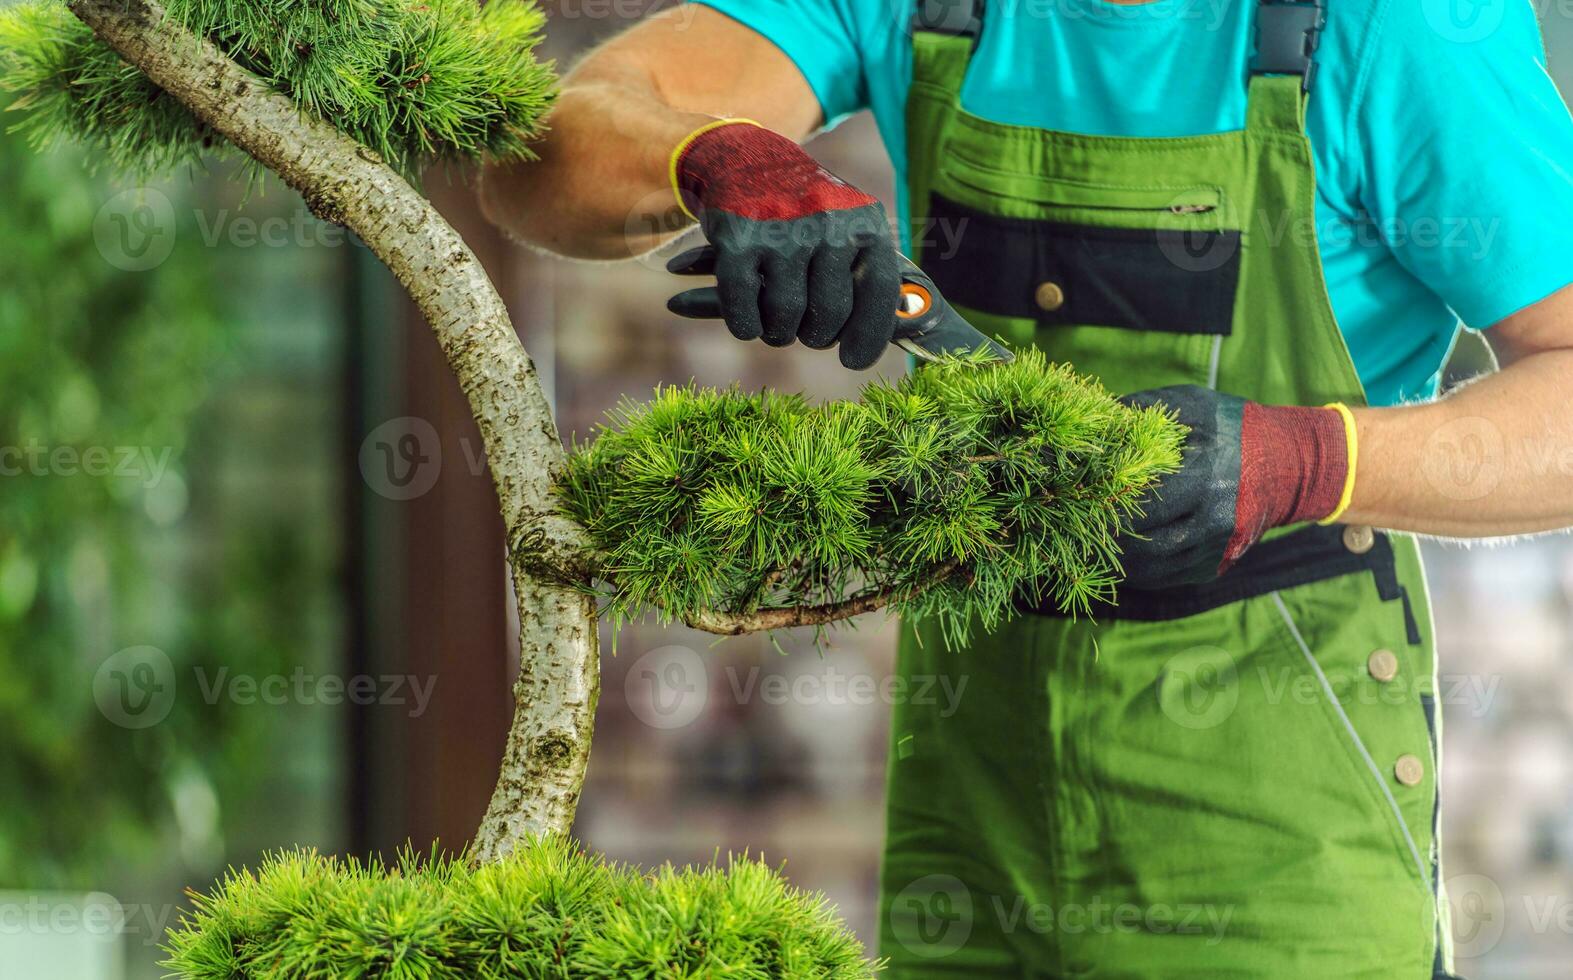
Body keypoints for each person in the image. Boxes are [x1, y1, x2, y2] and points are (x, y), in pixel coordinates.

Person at [480, 0, 1573, 974]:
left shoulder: (1403, 24)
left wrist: (1301, 461)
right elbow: (542, 158)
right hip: (975, 799)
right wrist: (718, 156)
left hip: (1276, 803)